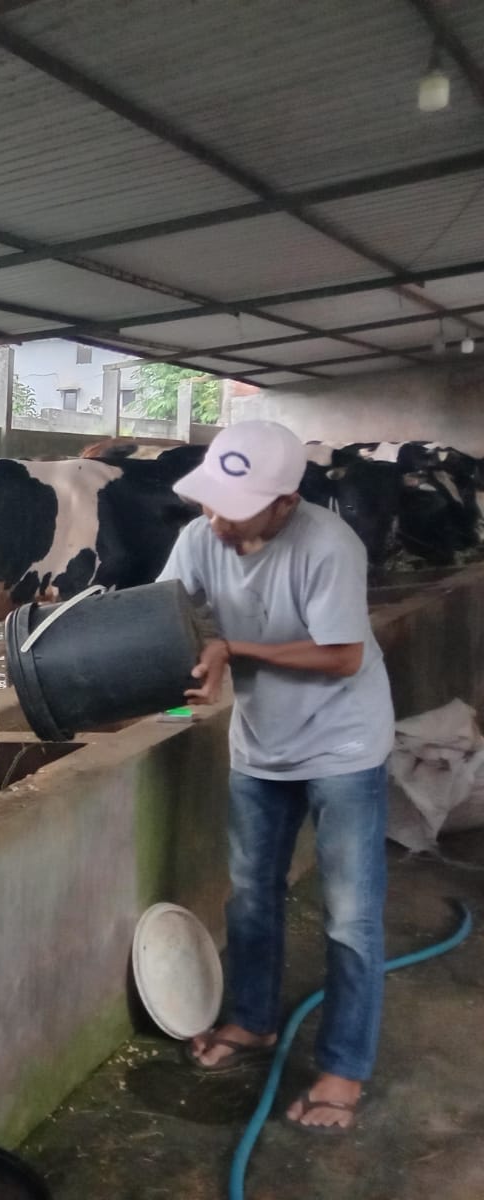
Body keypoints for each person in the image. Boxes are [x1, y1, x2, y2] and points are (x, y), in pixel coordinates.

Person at [157, 420, 394, 1133]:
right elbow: (166, 616)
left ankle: (343, 1068)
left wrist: (233, 648)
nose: (216, 518)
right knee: (252, 896)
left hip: (344, 746)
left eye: (235, 506)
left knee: (350, 914)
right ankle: (256, 1022)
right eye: (211, 501)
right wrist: (184, 665)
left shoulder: (328, 545)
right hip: (261, 747)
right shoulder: (203, 538)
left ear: (285, 502)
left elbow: (344, 655)